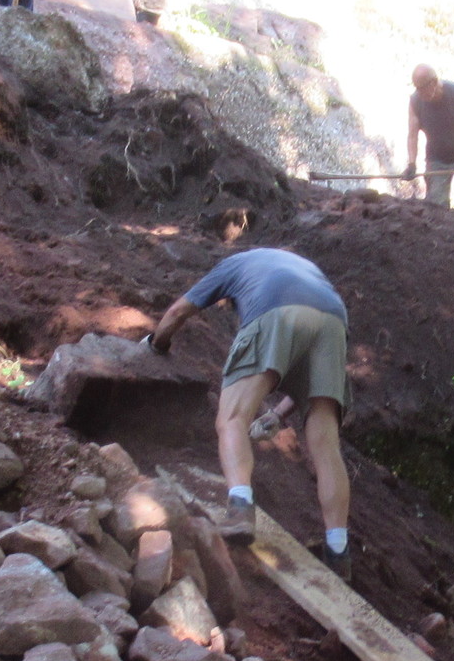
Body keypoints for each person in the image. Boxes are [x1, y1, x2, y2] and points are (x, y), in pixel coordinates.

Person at [145, 245, 356, 579]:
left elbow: (177, 312)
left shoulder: (233, 265)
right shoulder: (304, 268)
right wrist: (277, 416)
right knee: (326, 446)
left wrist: (155, 345)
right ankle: (339, 551)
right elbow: (309, 374)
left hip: (275, 310)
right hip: (333, 320)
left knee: (233, 418)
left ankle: (240, 508)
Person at [403, 64, 454, 214]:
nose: (420, 92)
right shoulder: (415, 101)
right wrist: (411, 164)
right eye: (417, 88)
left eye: (422, 88)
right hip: (438, 158)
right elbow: (412, 135)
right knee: (436, 207)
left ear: (434, 82)